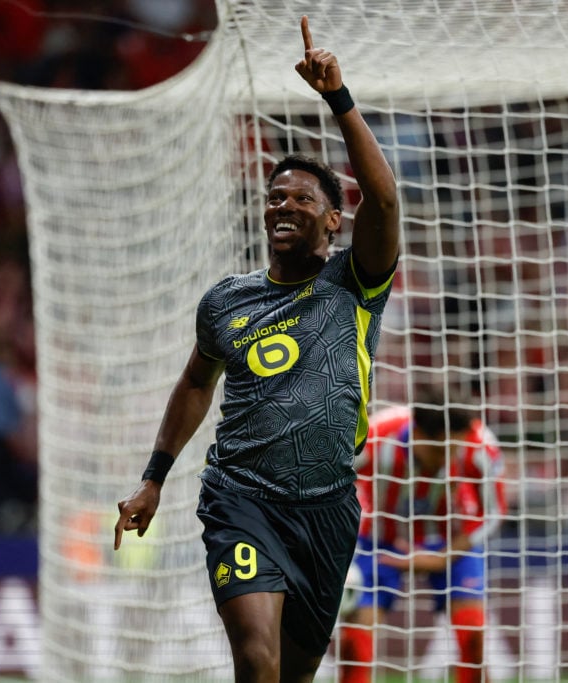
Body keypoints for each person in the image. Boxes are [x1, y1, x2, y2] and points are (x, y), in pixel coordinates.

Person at [114, 14, 400, 683]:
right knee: (255, 653)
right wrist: (154, 478)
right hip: (241, 497)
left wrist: (339, 99)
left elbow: (384, 204)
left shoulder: (354, 283)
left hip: (328, 507)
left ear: (334, 218)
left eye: (303, 196)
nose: (283, 204)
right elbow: (193, 384)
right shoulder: (227, 302)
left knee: (290, 673)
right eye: (275, 196)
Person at [339, 400, 506, 683]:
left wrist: (444, 557)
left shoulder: (480, 445)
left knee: (473, 636)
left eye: (453, 450)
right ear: (416, 435)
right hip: (379, 538)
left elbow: (493, 512)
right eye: (438, 450)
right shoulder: (378, 435)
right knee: (355, 642)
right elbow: (334, 481)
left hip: (451, 539)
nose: (447, 459)